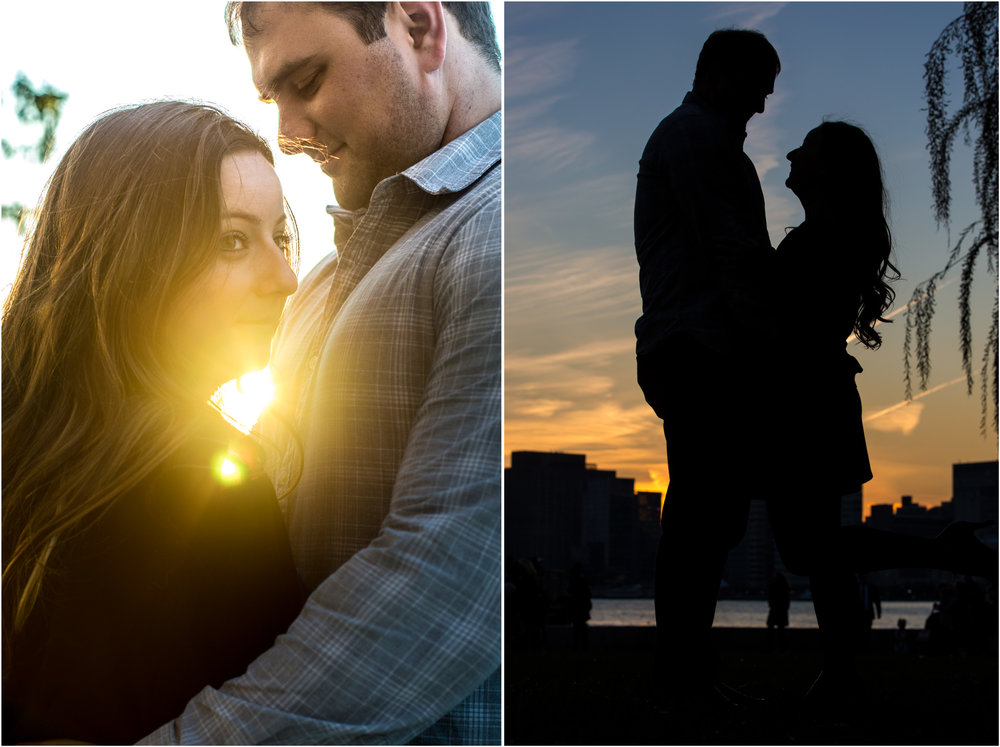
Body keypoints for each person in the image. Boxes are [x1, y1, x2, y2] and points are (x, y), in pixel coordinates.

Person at [140, 3, 502, 743]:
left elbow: (446, 584)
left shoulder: (498, 233)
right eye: (274, 100)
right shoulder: (319, 283)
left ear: (420, 28)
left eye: (306, 80)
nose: (287, 133)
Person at [1, 101, 304, 744]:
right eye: (232, 240)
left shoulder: (28, 448)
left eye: (279, 238)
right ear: (134, 260)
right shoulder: (208, 485)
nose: (285, 277)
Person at [765, 120, 997, 706]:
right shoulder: (834, 236)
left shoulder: (823, 240)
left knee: (809, 551)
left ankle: (939, 554)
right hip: (816, 400)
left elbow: (786, 323)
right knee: (819, 554)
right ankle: (841, 676)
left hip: (807, 403)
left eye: (806, 149)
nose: (791, 151)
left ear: (829, 170)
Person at [633, 28, 780, 703]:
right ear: (720, 74)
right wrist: (769, 339)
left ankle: (686, 661)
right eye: (755, 89)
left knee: (711, 510)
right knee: (700, 511)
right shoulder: (694, 135)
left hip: (702, 343)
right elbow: (730, 249)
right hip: (699, 345)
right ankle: (681, 666)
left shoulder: (706, 138)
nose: (759, 106)